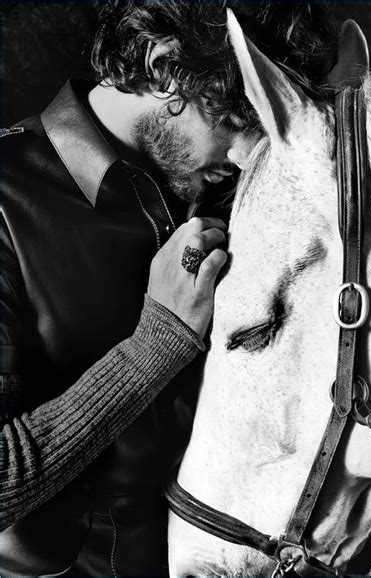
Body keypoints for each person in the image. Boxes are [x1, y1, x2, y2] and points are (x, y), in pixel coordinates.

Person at [0, 1, 337, 575]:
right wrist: (160, 341)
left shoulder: (230, 192)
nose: (246, 154)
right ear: (164, 68)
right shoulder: (6, 200)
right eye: (236, 119)